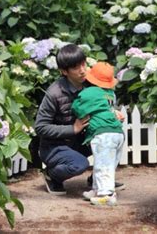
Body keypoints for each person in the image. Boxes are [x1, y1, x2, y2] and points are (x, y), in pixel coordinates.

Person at [35, 44, 124, 195]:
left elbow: (104, 101)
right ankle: (52, 175)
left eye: (83, 64)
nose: (82, 70)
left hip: (81, 140)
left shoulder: (91, 82)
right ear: (64, 71)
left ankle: (100, 179)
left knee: (113, 136)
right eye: (76, 67)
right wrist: (73, 129)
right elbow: (40, 127)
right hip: (55, 147)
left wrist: (112, 112)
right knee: (79, 165)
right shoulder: (54, 93)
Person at [71, 61, 125, 206]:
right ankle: (96, 189)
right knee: (106, 164)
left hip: (103, 134)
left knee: (102, 165)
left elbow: (77, 108)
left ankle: (106, 195)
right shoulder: (111, 94)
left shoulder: (88, 93)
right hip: (118, 133)